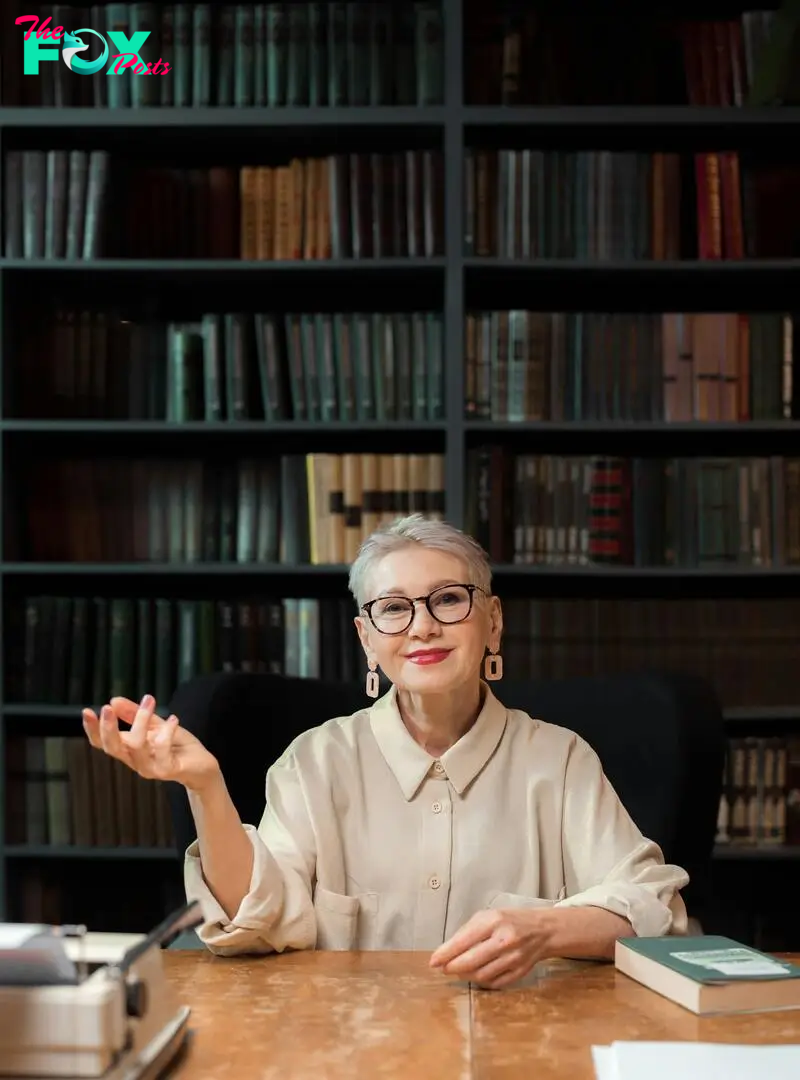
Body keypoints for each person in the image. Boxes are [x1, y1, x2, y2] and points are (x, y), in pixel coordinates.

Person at [82, 514, 689, 989]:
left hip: (521, 1046)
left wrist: (546, 929)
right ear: (367, 639)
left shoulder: (559, 762)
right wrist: (206, 787)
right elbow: (256, 921)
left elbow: (655, 906)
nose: (422, 627)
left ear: (493, 622)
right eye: (394, 609)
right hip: (352, 1046)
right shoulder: (314, 762)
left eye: (448, 599)